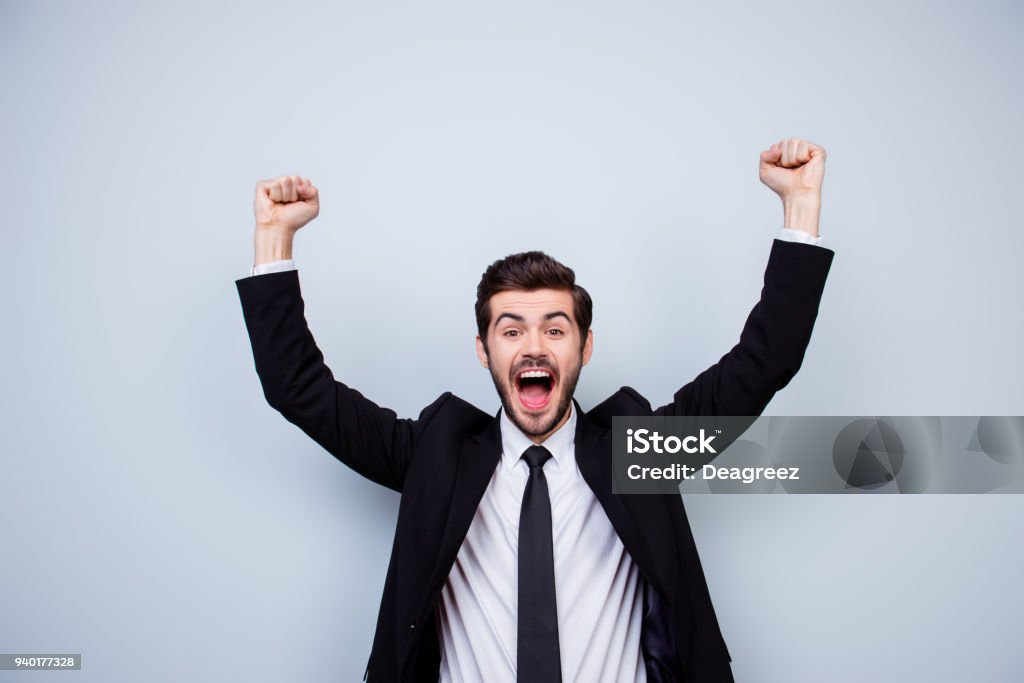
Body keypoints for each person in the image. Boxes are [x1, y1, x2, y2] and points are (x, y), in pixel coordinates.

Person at [235, 138, 835, 683]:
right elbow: (298, 388)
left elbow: (766, 361)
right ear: (484, 350)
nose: (533, 347)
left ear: (584, 346)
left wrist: (800, 208)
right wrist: (275, 240)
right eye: (511, 330)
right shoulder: (433, 456)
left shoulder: (639, 453)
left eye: (555, 328)